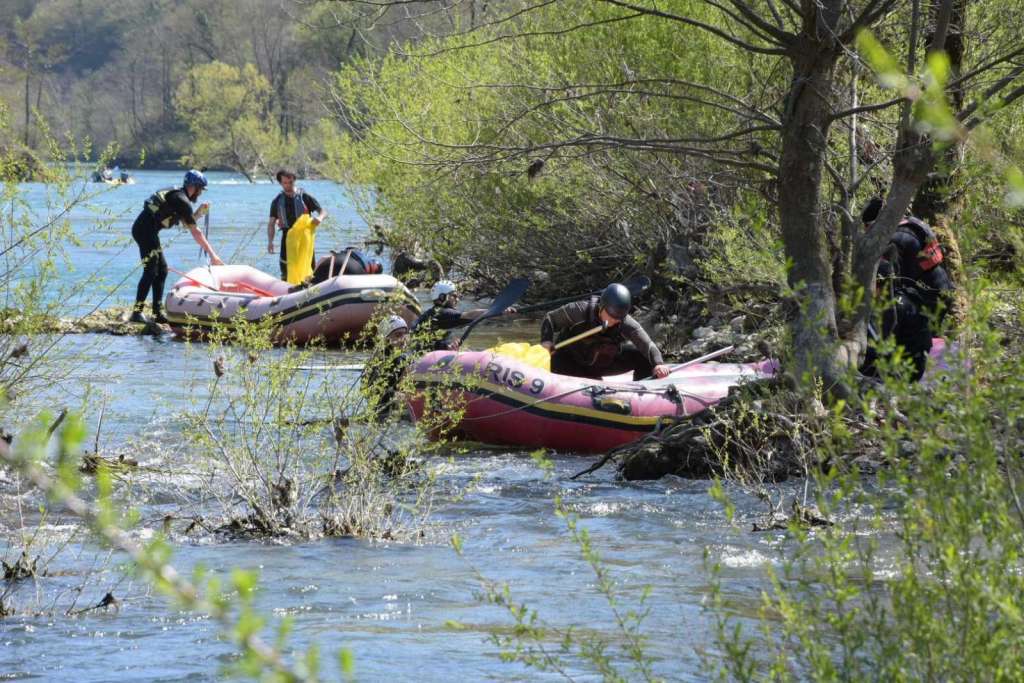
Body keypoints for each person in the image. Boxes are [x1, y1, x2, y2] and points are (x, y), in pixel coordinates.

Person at [860, 197, 955, 380]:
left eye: (867, 228)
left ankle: (914, 376)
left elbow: (893, 284)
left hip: (929, 296)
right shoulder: (909, 226)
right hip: (940, 289)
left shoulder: (897, 240)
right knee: (924, 337)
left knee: (915, 337)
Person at [129, 169, 223, 324]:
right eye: (200, 189)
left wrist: (199, 213)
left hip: (147, 231)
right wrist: (213, 255)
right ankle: (137, 313)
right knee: (151, 271)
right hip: (144, 231)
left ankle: (157, 313)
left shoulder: (179, 197)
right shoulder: (182, 200)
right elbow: (195, 231)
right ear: (194, 187)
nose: (200, 193)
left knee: (162, 270)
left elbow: (186, 224)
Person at [540, 283, 670, 380]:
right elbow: (550, 318)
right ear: (602, 307)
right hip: (570, 361)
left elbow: (648, 344)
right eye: (610, 316)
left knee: (641, 356)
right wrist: (546, 341)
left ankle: (641, 393)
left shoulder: (624, 322)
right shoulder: (579, 311)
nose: (613, 321)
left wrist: (658, 364)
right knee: (556, 360)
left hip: (599, 365)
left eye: (618, 318)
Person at [411, 280, 512, 351]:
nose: (457, 299)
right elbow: (470, 315)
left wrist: (447, 346)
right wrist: (496, 310)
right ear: (442, 297)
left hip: (424, 348)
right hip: (425, 353)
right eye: (454, 296)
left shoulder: (433, 312)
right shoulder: (443, 312)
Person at [267, 169, 327, 279]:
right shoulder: (277, 201)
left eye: (291, 182)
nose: (288, 185)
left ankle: (310, 286)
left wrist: (320, 218)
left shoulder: (305, 196)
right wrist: (270, 242)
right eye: (285, 183)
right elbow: (271, 223)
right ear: (280, 183)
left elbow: (323, 212)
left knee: (308, 268)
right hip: (287, 238)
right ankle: (287, 286)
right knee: (286, 270)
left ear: (294, 180)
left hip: (305, 238)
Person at [362, 315, 411, 420]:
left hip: (379, 411)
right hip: (387, 414)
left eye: (404, 334)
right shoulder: (398, 360)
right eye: (398, 335)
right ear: (386, 338)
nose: (403, 339)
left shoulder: (374, 359)